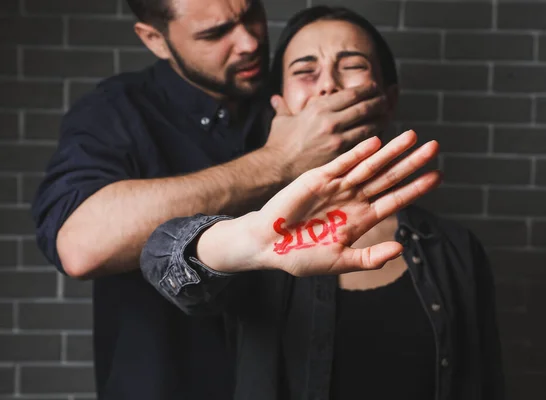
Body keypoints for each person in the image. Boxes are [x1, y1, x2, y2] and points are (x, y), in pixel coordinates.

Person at [30, 0, 428, 399]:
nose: (250, 42)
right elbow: (80, 246)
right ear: (156, 40)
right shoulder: (116, 112)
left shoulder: (291, 101)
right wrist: (276, 162)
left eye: (251, 13)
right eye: (216, 32)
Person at [141, 6, 505, 400]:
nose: (328, 84)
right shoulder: (259, 240)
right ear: (279, 106)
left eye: (351, 65)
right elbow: (159, 256)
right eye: (304, 70)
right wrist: (249, 238)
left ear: (388, 99)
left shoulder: (454, 248)